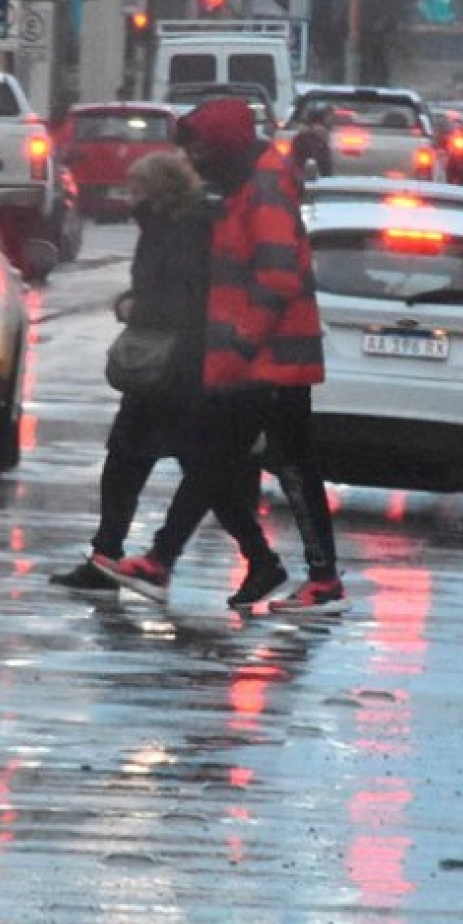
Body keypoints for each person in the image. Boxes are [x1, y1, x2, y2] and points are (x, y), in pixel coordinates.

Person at [104, 97, 346, 615]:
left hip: (269, 359)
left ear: (223, 146)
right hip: (260, 359)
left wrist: (241, 340)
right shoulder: (248, 180)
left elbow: (277, 275)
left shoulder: (262, 184)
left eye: (199, 147)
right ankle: (179, 561)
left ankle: (171, 561)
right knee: (234, 459)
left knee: (252, 461)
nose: (194, 158)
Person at [49, 148, 286, 604]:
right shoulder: (156, 228)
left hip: (184, 367)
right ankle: (108, 555)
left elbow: (189, 300)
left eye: (138, 187)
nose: (129, 195)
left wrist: (137, 308)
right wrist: (131, 301)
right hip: (158, 367)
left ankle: (252, 560)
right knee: (129, 459)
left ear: (162, 190)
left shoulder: (194, 229)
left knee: (194, 467)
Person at [290, 104, 333, 182]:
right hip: (307, 183)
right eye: (328, 117)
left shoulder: (320, 139)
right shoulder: (304, 139)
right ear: (319, 120)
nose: (331, 120)